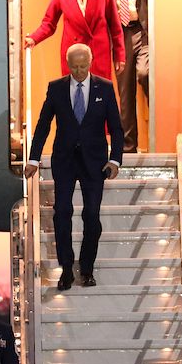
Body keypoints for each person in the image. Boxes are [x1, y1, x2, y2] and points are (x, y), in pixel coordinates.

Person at [23, 43, 124, 289]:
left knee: (91, 215)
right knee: (62, 213)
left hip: (95, 162)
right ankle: (66, 268)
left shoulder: (106, 88)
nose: (79, 71)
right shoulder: (56, 88)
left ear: (91, 62)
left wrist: (115, 159)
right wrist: (34, 159)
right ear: (68, 65)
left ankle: (87, 269)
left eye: (83, 66)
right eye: (74, 67)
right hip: (65, 161)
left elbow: (116, 127)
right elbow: (43, 125)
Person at [24, 0, 125, 81]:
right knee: (74, 95)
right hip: (73, 54)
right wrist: (34, 38)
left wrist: (120, 55)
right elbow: (49, 23)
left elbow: (115, 26)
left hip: (98, 53)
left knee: (99, 95)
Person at [95, 0, 149, 153]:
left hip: (144, 29)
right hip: (119, 33)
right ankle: (129, 146)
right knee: (124, 92)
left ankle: (160, 128)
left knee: (147, 74)